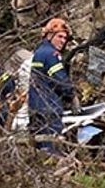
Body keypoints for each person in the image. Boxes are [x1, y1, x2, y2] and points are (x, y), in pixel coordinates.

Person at [29, 17, 75, 149]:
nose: (62, 41)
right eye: (60, 36)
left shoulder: (39, 52)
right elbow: (61, 80)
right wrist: (71, 96)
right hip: (49, 108)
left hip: (36, 108)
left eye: (64, 38)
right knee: (51, 149)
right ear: (49, 35)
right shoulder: (52, 54)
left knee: (39, 149)